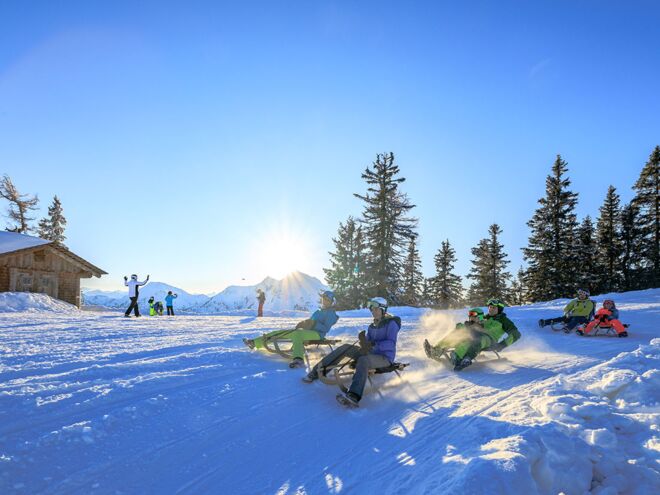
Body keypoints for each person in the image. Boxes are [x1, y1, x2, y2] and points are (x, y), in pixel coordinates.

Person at [302, 297, 401, 408]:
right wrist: (364, 341)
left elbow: (391, 344)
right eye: (372, 310)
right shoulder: (372, 326)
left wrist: (373, 345)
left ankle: (354, 395)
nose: (373, 312)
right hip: (370, 354)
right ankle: (317, 371)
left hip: (384, 358)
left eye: (376, 309)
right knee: (345, 347)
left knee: (363, 360)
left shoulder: (391, 323)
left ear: (383, 309)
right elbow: (367, 343)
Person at [243, 290, 339, 368]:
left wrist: (314, 323)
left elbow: (326, 328)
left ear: (332, 302)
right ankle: (255, 342)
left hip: (318, 335)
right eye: (323, 299)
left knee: (298, 334)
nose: (324, 301)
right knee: (283, 332)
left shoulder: (331, 314)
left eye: (327, 300)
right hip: (308, 332)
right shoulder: (318, 311)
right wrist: (304, 324)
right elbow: (310, 322)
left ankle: (298, 359)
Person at [424, 299, 519, 371]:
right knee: (460, 333)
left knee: (480, 339)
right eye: (490, 307)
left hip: (490, 340)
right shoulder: (485, 317)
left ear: (499, 309)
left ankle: (463, 358)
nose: (491, 309)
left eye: (493, 307)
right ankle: (436, 350)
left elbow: (516, 334)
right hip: (477, 335)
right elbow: (476, 323)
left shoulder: (504, 321)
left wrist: (503, 344)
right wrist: (469, 325)